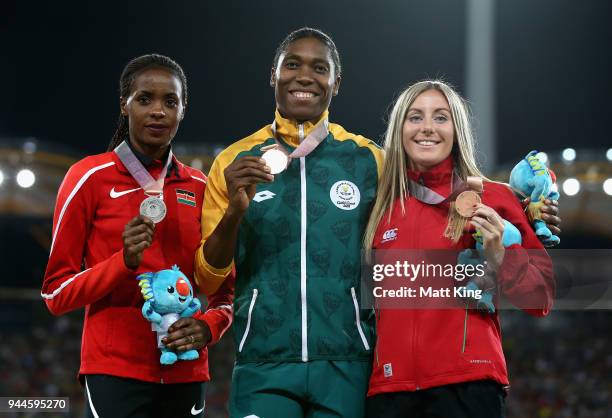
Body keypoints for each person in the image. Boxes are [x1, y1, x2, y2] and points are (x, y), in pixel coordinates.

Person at [194, 28, 383, 418]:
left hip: (348, 362)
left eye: (319, 67)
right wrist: (235, 211)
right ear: (273, 75)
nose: (304, 76)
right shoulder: (233, 161)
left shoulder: (369, 161)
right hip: (263, 362)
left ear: (336, 82)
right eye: (292, 64)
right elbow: (208, 278)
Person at [41, 54, 233, 418]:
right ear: (124, 105)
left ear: (183, 109)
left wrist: (207, 329)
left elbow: (226, 295)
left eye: (169, 101)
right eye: (145, 99)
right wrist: (122, 263)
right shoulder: (89, 178)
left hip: (186, 372)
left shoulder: (201, 187)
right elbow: (55, 294)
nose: (158, 111)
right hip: (115, 373)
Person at [362, 80, 555, 418]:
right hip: (389, 391)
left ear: (457, 129)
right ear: (399, 129)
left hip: (469, 386)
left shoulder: (495, 198)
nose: (426, 128)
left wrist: (502, 257)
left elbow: (542, 298)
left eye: (441, 117)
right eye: (414, 117)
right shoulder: (378, 206)